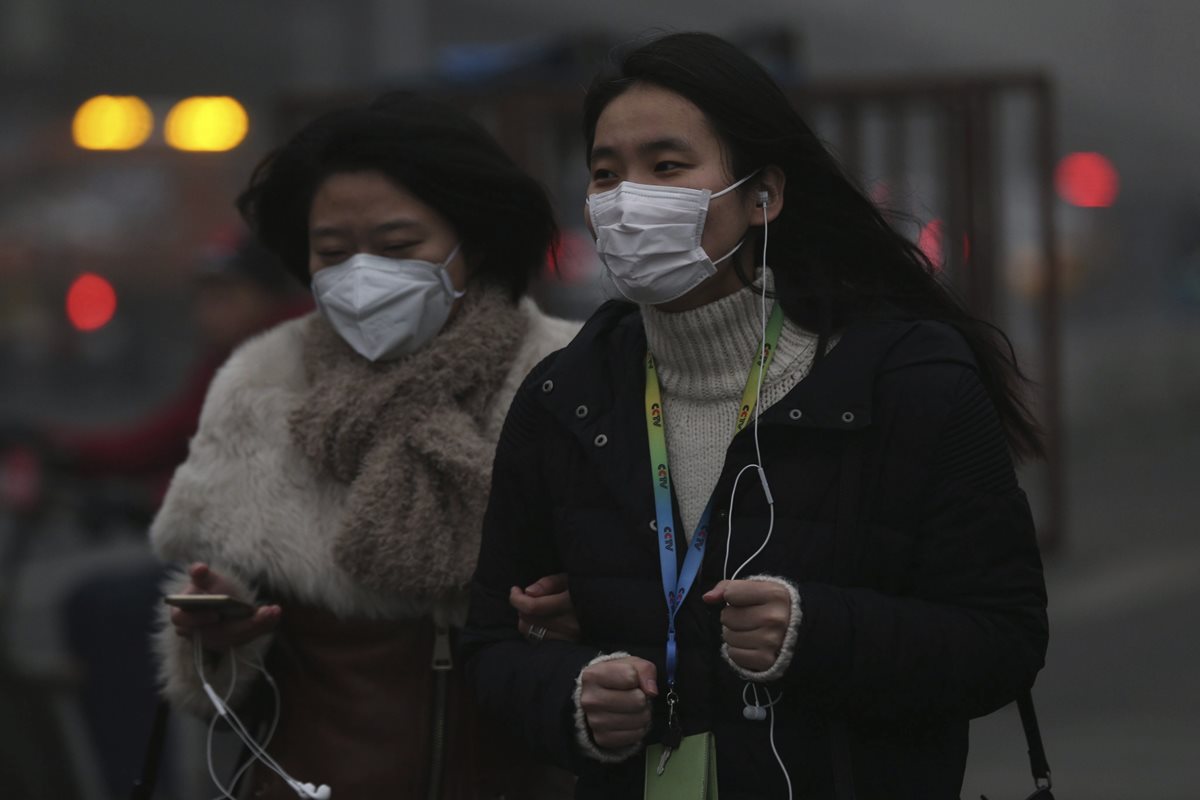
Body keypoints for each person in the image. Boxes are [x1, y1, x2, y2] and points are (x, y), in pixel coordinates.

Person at [464, 32, 1049, 800]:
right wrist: (569, 692)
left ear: (762, 194)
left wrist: (820, 631)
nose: (627, 198)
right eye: (605, 174)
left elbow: (1002, 640)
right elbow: (491, 645)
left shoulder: (905, 378)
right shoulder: (563, 398)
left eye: (666, 167)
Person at [150, 94, 580, 799]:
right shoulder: (262, 388)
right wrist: (221, 638)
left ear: (471, 241)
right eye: (333, 252)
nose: (361, 275)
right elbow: (218, 697)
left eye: (397, 246)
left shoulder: (566, 379)